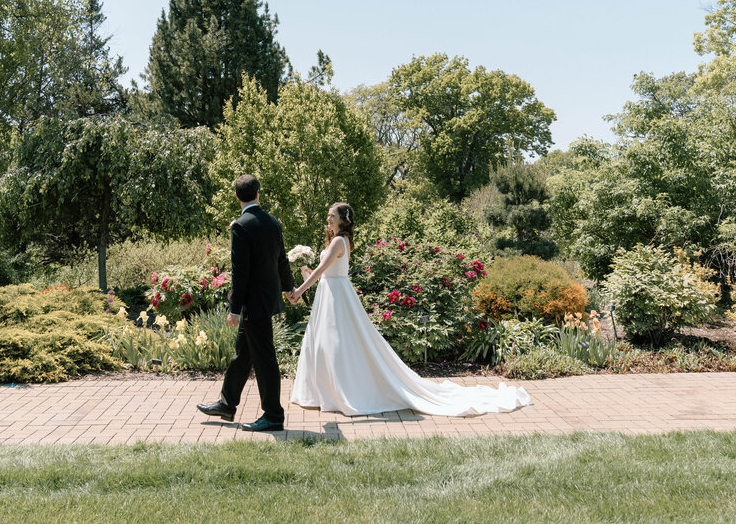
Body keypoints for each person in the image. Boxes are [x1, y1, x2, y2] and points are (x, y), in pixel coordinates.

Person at [288, 202, 531, 416]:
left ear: (343, 220)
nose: (329, 218)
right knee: (322, 341)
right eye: (329, 215)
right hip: (329, 293)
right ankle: (324, 393)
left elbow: (322, 271)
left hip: (337, 297)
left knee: (335, 343)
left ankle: (339, 393)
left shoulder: (339, 241)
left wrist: (299, 290)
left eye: (333, 215)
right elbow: (324, 273)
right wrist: (304, 271)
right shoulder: (336, 241)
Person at [197, 174, 295, 432]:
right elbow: (282, 260)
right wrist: (289, 288)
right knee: (243, 354)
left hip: (254, 306)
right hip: (266, 301)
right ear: (258, 193)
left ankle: (274, 416)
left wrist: (234, 309)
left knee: (265, 360)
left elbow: (240, 273)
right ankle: (227, 405)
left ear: (236, 196)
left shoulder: (241, 226)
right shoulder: (272, 222)